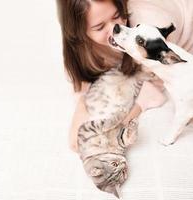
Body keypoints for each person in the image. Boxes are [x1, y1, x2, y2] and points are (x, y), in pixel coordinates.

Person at [56, 0, 193, 153]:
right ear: (78, 32)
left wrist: (123, 122)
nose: (114, 28)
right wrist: (80, 111)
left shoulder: (151, 30)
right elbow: (83, 75)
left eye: (117, 16)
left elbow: (156, 84)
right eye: (100, 27)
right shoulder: (82, 45)